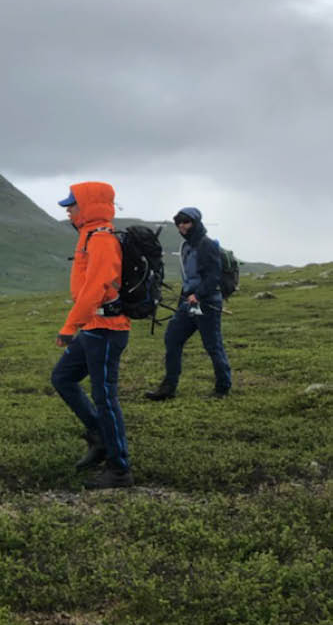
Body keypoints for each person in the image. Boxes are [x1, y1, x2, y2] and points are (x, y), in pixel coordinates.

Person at [50, 181, 133, 489]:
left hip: (108, 330)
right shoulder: (88, 235)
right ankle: (99, 436)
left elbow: (96, 288)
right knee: (63, 378)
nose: (68, 210)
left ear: (88, 207)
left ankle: (119, 470)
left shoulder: (101, 239)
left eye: (72, 205)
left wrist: (69, 326)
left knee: (105, 398)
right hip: (94, 329)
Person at [145, 207, 232, 401]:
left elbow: (213, 276)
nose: (182, 226)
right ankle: (168, 387)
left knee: (212, 345)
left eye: (186, 222)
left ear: (195, 222)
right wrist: (185, 297)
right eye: (179, 223)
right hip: (188, 303)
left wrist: (198, 294)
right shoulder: (185, 246)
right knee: (172, 339)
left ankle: (223, 387)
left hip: (207, 302)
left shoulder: (206, 245)